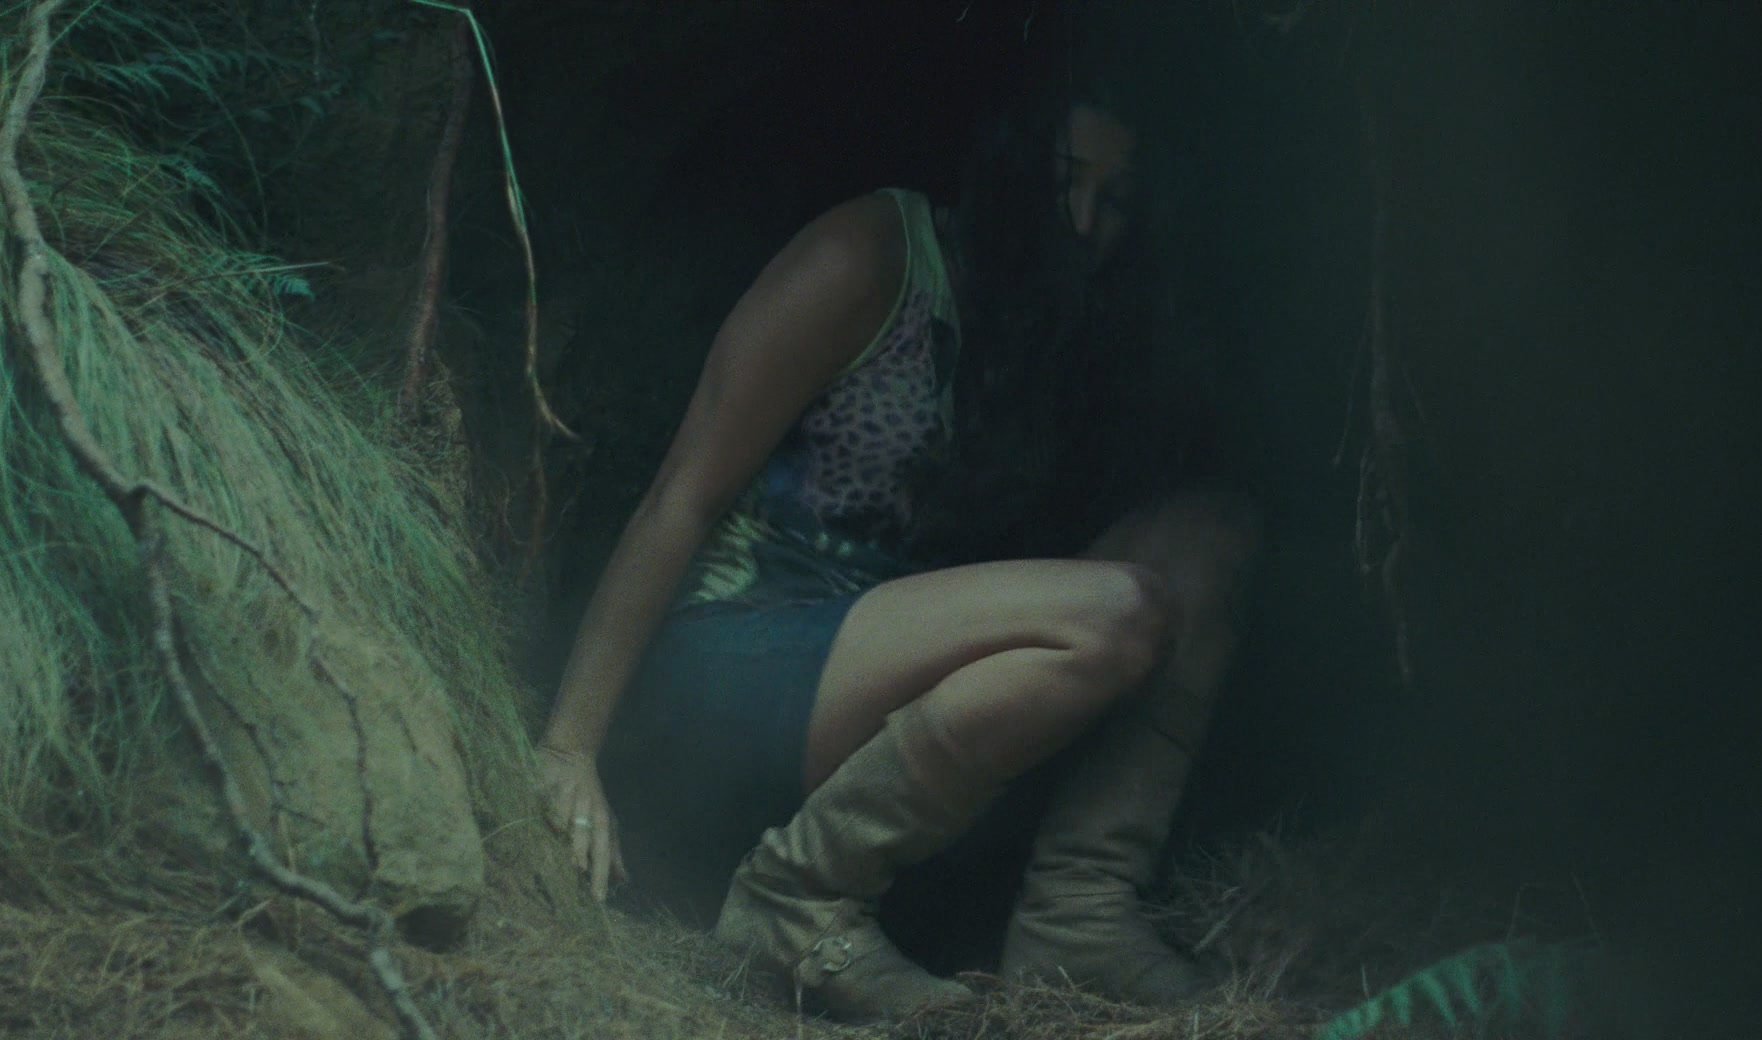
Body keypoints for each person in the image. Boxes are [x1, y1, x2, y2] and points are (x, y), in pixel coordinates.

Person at [535, 72, 1259, 1021]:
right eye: (1063, 182)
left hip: (898, 681)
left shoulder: (1063, 329)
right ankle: (796, 898)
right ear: (1008, 171)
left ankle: (1077, 913)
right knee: (1115, 615)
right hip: (736, 659)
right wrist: (570, 744)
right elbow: (683, 494)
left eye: (1115, 201)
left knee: (1207, 541)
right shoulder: (871, 256)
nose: (1084, 222)